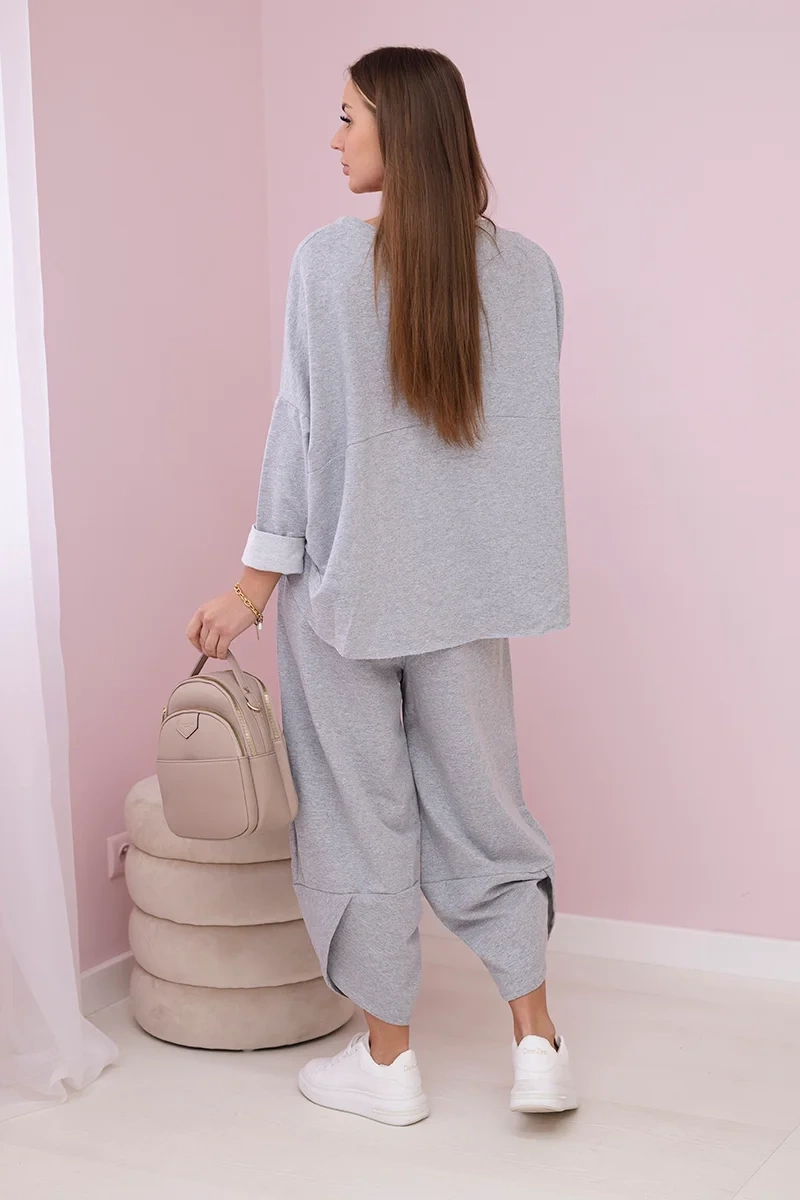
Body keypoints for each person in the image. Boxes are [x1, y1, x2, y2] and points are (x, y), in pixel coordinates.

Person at [187, 45, 576, 1126]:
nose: (333, 138)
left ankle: (388, 1065)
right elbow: (508, 444)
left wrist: (247, 592)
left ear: (398, 131)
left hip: (345, 591)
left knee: (359, 814)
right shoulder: (529, 273)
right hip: (467, 595)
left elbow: (299, 436)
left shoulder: (325, 264)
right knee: (486, 809)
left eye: (348, 117)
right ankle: (537, 1043)